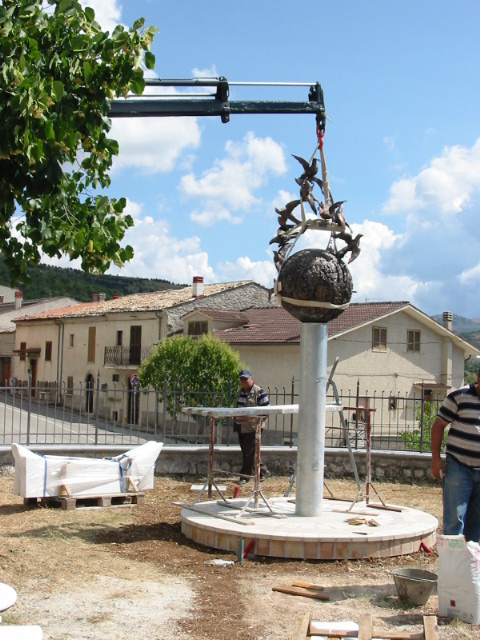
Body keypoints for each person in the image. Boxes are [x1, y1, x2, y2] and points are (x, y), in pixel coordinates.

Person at [430, 368, 480, 542]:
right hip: (459, 466)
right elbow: (438, 426)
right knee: (454, 521)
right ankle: (452, 559)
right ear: (478, 378)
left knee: (477, 523)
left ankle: (471, 558)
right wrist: (436, 459)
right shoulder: (459, 397)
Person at [233, 369, 270, 484]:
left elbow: (267, 411)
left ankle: (244, 476)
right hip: (241, 426)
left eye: (245, 379)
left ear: (251, 379)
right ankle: (263, 471)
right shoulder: (240, 391)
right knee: (248, 452)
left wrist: (255, 420)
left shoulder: (259, 391)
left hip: (253, 427)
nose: (243, 381)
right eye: (241, 379)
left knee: (248, 453)